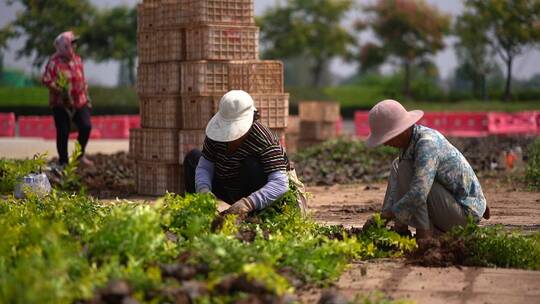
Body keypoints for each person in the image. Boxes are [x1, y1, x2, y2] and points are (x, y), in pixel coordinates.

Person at [363, 100, 489, 239]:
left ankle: (425, 236)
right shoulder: (410, 144)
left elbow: (419, 193)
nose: (386, 143)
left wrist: (386, 216)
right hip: (451, 207)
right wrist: (383, 219)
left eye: (388, 137)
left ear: (403, 130)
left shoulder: (427, 144)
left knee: (407, 171)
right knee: (398, 165)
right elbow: (398, 186)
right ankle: (401, 230)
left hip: (464, 216)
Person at [184, 90, 303, 215]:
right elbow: (205, 166)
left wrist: (248, 203)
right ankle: (200, 213)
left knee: (252, 163)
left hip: (258, 194)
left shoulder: (264, 139)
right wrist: (203, 190)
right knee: (193, 158)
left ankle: (253, 215)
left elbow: (280, 183)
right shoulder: (215, 133)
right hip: (228, 187)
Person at [42, 31, 93, 167]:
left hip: (80, 101)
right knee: (63, 132)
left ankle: (79, 155)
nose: (74, 46)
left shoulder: (78, 60)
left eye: (75, 44)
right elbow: (46, 80)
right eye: (72, 43)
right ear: (64, 46)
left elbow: (82, 79)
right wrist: (60, 91)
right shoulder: (54, 62)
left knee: (86, 126)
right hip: (61, 103)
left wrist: (87, 97)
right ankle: (63, 161)